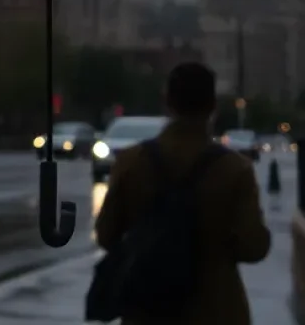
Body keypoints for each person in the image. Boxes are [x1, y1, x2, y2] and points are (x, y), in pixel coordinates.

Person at [94, 62, 271, 325]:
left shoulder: (132, 162)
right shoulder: (235, 169)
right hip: (217, 310)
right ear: (213, 107)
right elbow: (254, 247)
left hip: (147, 311)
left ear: (168, 103)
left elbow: (107, 235)